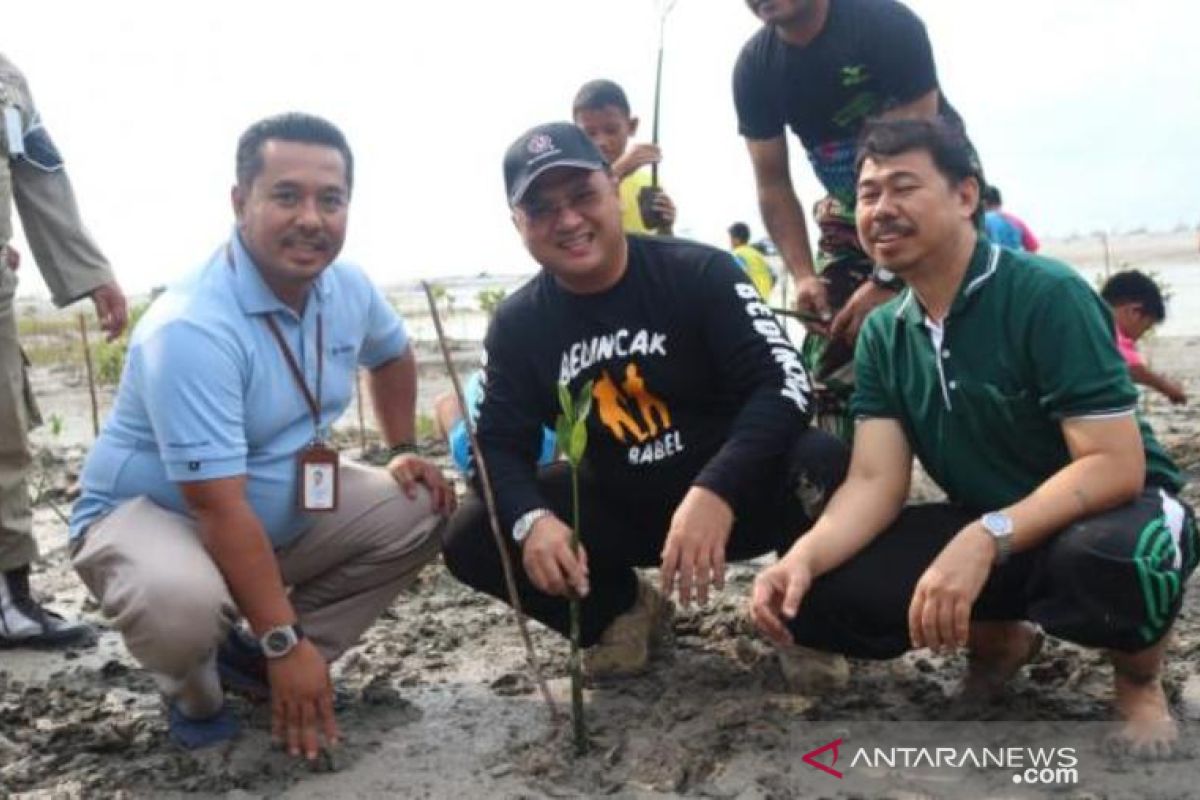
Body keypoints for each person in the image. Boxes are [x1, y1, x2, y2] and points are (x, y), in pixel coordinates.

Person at [750, 118, 1197, 759]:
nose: (881, 210)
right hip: (991, 521)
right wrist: (801, 559)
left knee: (1110, 559)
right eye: (869, 194)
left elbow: (1114, 466)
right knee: (814, 597)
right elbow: (876, 481)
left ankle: (1138, 679)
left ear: (966, 196)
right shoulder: (885, 333)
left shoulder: (1047, 295)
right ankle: (1002, 639)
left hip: (1113, 510)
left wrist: (987, 536)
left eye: (903, 187)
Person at [68, 113, 454, 754]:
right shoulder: (191, 326)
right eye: (286, 195)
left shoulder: (348, 286)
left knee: (424, 506)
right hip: (155, 517)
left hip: (268, 511)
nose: (311, 218)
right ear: (240, 201)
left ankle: (262, 661)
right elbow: (217, 508)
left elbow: (392, 355)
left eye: (330, 200)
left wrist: (400, 450)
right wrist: (283, 636)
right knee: (180, 605)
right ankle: (197, 692)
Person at [441, 122, 849, 682]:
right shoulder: (518, 324)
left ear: (614, 189)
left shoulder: (700, 272)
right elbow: (494, 447)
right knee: (474, 530)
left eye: (583, 195)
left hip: (739, 495)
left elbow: (785, 385)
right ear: (518, 224)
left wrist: (717, 488)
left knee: (824, 459)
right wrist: (532, 520)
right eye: (541, 208)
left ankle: (806, 617)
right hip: (624, 505)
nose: (568, 220)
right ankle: (622, 612)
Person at [733, 0, 975, 438]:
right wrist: (805, 275)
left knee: (963, 333)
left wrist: (886, 280)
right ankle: (843, 482)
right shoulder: (756, 68)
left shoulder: (885, 25)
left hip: (933, 195)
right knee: (834, 342)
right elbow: (772, 183)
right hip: (849, 204)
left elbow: (912, 169)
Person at [0, 52, 127, 648]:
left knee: (4, 441)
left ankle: (9, 601)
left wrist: (92, 272)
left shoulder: (8, 79)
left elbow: (39, 173)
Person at [572, 79, 677, 236]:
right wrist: (618, 171)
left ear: (632, 126)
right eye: (590, 133)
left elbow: (663, 247)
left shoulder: (647, 182)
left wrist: (666, 225)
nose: (601, 142)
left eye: (611, 130)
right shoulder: (571, 182)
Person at [433, 370, 557, 475]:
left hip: (495, 384)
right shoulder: (546, 448)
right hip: (493, 385)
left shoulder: (466, 451)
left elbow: (444, 403)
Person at [1101, 270, 1187, 405]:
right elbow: (1132, 367)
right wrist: (1169, 389)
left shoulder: (1091, 320)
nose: (1138, 337)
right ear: (1134, 311)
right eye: (1145, 327)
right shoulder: (1111, 330)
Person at [982, 185, 1039, 252]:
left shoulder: (982, 220)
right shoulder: (1016, 221)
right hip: (1013, 261)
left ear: (983, 203)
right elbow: (1033, 246)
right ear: (1000, 202)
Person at [728, 221, 775, 300]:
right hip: (764, 301)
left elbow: (733, 278)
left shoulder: (736, 254)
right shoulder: (757, 254)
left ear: (736, 239)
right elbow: (773, 277)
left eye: (730, 238)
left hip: (746, 301)